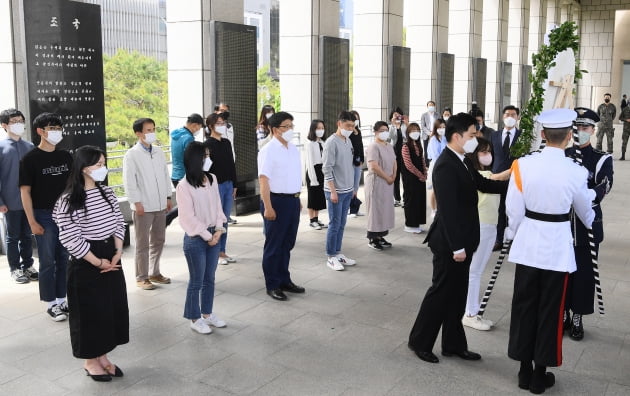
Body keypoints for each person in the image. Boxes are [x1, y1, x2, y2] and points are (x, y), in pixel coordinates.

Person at [506, 108, 595, 393]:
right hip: (557, 249)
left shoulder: (522, 165)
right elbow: (585, 212)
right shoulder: (576, 171)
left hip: (528, 244)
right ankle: (539, 374)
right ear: (569, 136)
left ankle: (523, 370)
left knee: (524, 306)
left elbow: (514, 211)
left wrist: (514, 233)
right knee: (550, 311)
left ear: (543, 135)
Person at [407, 112, 507, 364]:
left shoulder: (462, 160)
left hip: (464, 240)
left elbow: (485, 185)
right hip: (451, 243)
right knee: (440, 293)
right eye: (472, 135)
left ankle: (453, 344)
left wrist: (516, 181)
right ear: (456, 136)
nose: (475, 140)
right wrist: (457, 246)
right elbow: (448, 211)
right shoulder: (445, 166)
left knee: (457, 294)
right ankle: (419, 341)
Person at [54, 145, 128, 382]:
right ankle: (90, 361)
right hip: (86, 260)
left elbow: (119, 221)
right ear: (84, 168)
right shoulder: (68, 200)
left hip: (111, 253)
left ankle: (103, 356)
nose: (103, 169)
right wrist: (98, 262)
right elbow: (69, 237)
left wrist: (117, 252)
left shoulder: (107, 192)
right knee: (89, 313)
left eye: (104, 164)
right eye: (98, 165)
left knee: (109, 309)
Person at [564, 107, 613, 341]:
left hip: (587, 226)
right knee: (563, 272)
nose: (580, 131)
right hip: (563, 225)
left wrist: (580, 192)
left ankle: (577, 317)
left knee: (584, 274)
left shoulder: (602, 158)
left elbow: (603, 186)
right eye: (577, 128)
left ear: (593, 130)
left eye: (585, 128)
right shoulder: (562, 154)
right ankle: (562, 313)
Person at [20, 112, 73, 321]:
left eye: (58, 128)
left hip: (66, 214)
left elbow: (72, 186)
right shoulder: (30, 159)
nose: (56, 132)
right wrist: (32, 221)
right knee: (48, 260)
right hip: (43, 215)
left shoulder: (66, 156)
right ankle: (51, 303)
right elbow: (24, 191)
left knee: (63, 258)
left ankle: (62, 299)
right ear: (40, 131)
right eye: (52, 128)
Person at [177, 141, 228, 333]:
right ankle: (194, 317)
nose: (209, 159)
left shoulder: (212, 179)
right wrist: (208, 236)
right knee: (196, 280)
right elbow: (187, 218)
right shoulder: (184, 186)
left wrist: (218, 229)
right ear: (196, 159)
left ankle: (207, 314)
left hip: (213, 234)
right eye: (205, 156)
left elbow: (218, 207)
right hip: (196, 239)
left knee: (210, 278)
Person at [462, 138, 511, 331]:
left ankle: (473, 311)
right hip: (481, 226)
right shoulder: (479, 175)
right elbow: (495, 179)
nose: (487, 155)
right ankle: (470, 314)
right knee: (474, 272)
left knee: (477, 270)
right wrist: (515, 169)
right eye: (483, 152)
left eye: (489, 151)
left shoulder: (483, 173)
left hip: (489, 226)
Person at [258, 112, 305, 300]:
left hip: (292, 200)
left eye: (292, 126)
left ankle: (285, 279)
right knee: (274, 245)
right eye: (286, 126)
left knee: (287, 243)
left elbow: (292, 176)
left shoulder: (293, 148)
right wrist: (268, 207)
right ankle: (272, 284)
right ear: (275, 129)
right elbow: (263, 180)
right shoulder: (268, 150)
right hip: (275, 201)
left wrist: (297, 198)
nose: (290, 130)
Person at [122, 118, 172, 291]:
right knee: (142, 243)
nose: (152, 133)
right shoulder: (132, 154)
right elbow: (129, 181)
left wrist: (167, 196)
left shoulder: (158, 151)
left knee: (159, 240)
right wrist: (136, 202)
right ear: (138, 133)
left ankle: (154, 272)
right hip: (143, 205)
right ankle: (141, 277)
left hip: (160, 204)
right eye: (148, 130)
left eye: (153, 129)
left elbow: (165, 175)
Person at [0, 108, 36, 284]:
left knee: (27, 235)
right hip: (10, 201)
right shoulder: (1, 148)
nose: (18, 124)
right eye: (14, 122)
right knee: (12, 237)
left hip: (29, 201)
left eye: (20, 120)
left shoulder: (29, 146)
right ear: (4, 125)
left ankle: (28, 265)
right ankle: (14, 269)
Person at [322, 111, 358, 271]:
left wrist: (352, 189)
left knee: (342, 223)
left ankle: (337, 253)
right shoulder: (331, 142)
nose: (350, 128)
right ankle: (330, 256)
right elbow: (327, 168)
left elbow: (348, 166)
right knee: (334, 224)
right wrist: (333, 191)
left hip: (347, 189)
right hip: (335, 190)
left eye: (352, 126)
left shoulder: (347, 141)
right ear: (339, 124)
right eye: (347, 125)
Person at [205, 113, 237, 265]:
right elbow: (206, 169)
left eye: (223, 122)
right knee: (215, 219)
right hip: (215, 185)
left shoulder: (226, 142)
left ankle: (222, 250)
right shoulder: (207, 144)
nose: (222, 125)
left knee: (224, 219)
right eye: (218, 123)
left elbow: (231, 164)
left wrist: (235, 184)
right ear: (211, 126)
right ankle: (215, 252)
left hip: (228, 184)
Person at [165, 113, 205, 226]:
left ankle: (166, 220)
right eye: (199, 128)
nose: (199, 130)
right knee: (189, 204)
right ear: (194, 125)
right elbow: (191, 159)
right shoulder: (188, 138)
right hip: (185, 176)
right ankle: (166, 219)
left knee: (185, 203)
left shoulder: (176, 135)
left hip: (176, 175)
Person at [491, 105, 521, 251]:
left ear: (517, 118)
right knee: (499, 209)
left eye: (513, 115)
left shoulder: (522, 136)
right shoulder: (494, 135)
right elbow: (489, 156)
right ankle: (498, 239)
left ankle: (511, 241)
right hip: (496, 178)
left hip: (515, 179)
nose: (510, 117)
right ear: (502, 117)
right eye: (507, 114)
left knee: (513, 210)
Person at [365, 121, 396, 250]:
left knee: (385, 210)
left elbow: (394, 162)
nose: (385, 132)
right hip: (377, 182)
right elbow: (374, 166)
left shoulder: (389, 145)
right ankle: (373, 238)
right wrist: (387, 177)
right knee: (375, 210)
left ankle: (381, 236)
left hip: (388, 182)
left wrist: (393, 176)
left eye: (386, 130)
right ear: (376, 132)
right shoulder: (373, 146)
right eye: (382, 130)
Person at [400, 122, 427, 234]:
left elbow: (422, 160)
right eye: (412, 131)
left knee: (419, 199)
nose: (415, 133)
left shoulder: (419, 145)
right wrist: (420, 175)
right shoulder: (405, 146)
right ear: (408, 133)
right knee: (411, 200)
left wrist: (425, 173)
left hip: (420, 177)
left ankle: (417, 223)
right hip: (410, 178)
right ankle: (410, 224)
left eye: (417, 130)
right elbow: (408, 165)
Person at [305, 119, 327, 230]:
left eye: (322, 128)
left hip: (321, 171)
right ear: (313, 129)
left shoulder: (322, 143)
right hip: (312, 171)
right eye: (318, 128)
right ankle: (311, 220)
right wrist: (313, 179)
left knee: (318, 196)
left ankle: (316, 219)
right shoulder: (310, 144)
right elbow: (309, 163)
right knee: (312, 196)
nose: (321, 130)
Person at [426, 119, 447, 218]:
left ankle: (440, 208)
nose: (442, 129)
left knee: (442, 189)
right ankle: (433, 210)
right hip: (437, 165)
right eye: (440, 127)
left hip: (446, 165)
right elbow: (435, 155)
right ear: (436, 128)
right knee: (435, 189)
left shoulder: (445, 138)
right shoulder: (434, 139)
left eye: (444, 127)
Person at [388, 107, 407, 207]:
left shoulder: (405, 125)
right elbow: (390, 137)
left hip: (404, 154)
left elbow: (407, 137)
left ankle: (405, 198)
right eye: (394, 115)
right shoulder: (390, 126)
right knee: (395, 176)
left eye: (398, 115)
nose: (396, 117)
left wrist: (405, 124)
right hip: (394, 153)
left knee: (405, 177)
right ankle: (397, 199)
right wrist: (393, 125)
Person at [348, 110, 365, 218]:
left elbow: (360, 145)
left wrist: (362, 159)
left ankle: (355, 208)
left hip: (358, 160)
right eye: (354, 118)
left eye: (357, 118)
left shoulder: (358, 132)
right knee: (349, 185)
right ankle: (350, 210)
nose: (356, 121)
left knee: (355, 185)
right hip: (350, 161)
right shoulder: (348, 132)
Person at [420, 101, 437, 167]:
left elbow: (439, 124)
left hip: (435, 135)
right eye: (430, 105)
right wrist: (429, 133)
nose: (431, 107)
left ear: (434, 106)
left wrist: (434, 133)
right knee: (426, 150)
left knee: (434, 149)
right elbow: (423, 126)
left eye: (432, 105)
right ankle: (426, 165)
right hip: (426, 135)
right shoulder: (424, 115)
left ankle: (434, 164)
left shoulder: (437, 115)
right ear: (427, 106)